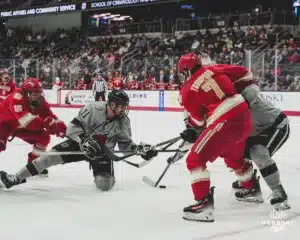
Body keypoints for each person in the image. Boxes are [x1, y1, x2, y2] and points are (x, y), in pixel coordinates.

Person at [0, 90, 158, 191]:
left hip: (101, 152)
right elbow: (71, 129)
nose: (125, 110)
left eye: (126, 107)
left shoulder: (124, 121)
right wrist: (84, 140)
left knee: (105, 185)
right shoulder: (92, 109)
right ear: (112, 104)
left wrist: (139, 149)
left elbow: (125, 146)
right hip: (79, 144)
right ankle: (16, 178)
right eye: (122, 106)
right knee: (46, 158)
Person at [178, 53, 262, 222]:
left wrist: (191, 127)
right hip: (243, 115)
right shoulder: (214, 68)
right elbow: (247, 74)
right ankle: (251, 189)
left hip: (224, 120)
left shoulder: (187, 90)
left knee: (195, 159)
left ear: (185, 71)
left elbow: (199, 120)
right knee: (233, 157)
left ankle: (203, 205)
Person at [0, 77, 67, 176]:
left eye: (39, 93)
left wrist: (62, 129)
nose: (38, 96)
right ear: (27, 93)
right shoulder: (17, 97)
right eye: (35, 93)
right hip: (3, 124)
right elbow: (25, 120)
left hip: (20, 127)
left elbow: (50, 115)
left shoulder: (39, 100)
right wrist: (44, 124)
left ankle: (33, 166)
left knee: (43, 137)